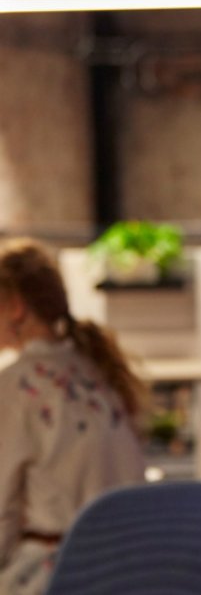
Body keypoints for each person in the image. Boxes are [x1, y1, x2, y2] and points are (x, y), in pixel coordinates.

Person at [0, 238, 147, 595]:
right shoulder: (98, 367)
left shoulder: (16, 385)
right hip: (129, 567)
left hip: (59, 573)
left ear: (16, 308)